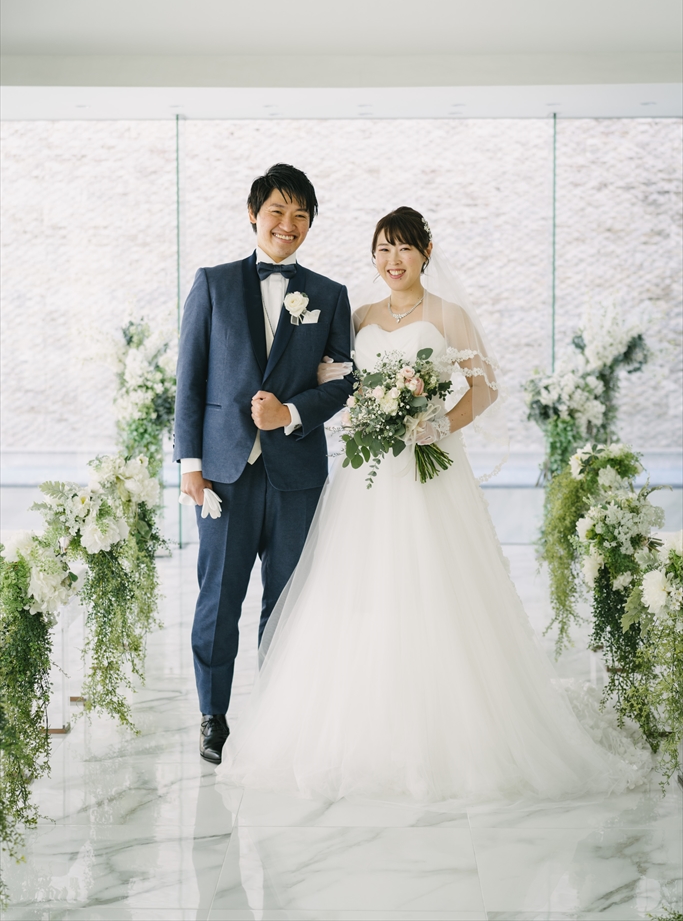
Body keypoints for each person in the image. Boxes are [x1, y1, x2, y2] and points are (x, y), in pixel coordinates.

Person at [216, 206, 649, 802]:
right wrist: (352, 412)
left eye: (403, 248)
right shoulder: (360, 315)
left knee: (437, 587)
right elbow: (336, 384)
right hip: (367, 478)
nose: (392, 261)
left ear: (425, 252)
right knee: (360, 590)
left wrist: (436, 424)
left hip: (430, 473)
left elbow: (486, 388)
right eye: (382, 250)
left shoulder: (449, 316)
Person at [173, 164, 354, 763]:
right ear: (253, 214)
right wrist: (191, 465)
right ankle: (213, 716)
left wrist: (291, 413)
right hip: (224, 473)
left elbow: (341, 383)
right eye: (278, 211)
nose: (288, 224)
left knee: (289, 601)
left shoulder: (329, 295)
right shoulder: (213, 283)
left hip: (296, 475)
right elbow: (190, 380)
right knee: (218, 600)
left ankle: (280, 718)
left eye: (301, 215)